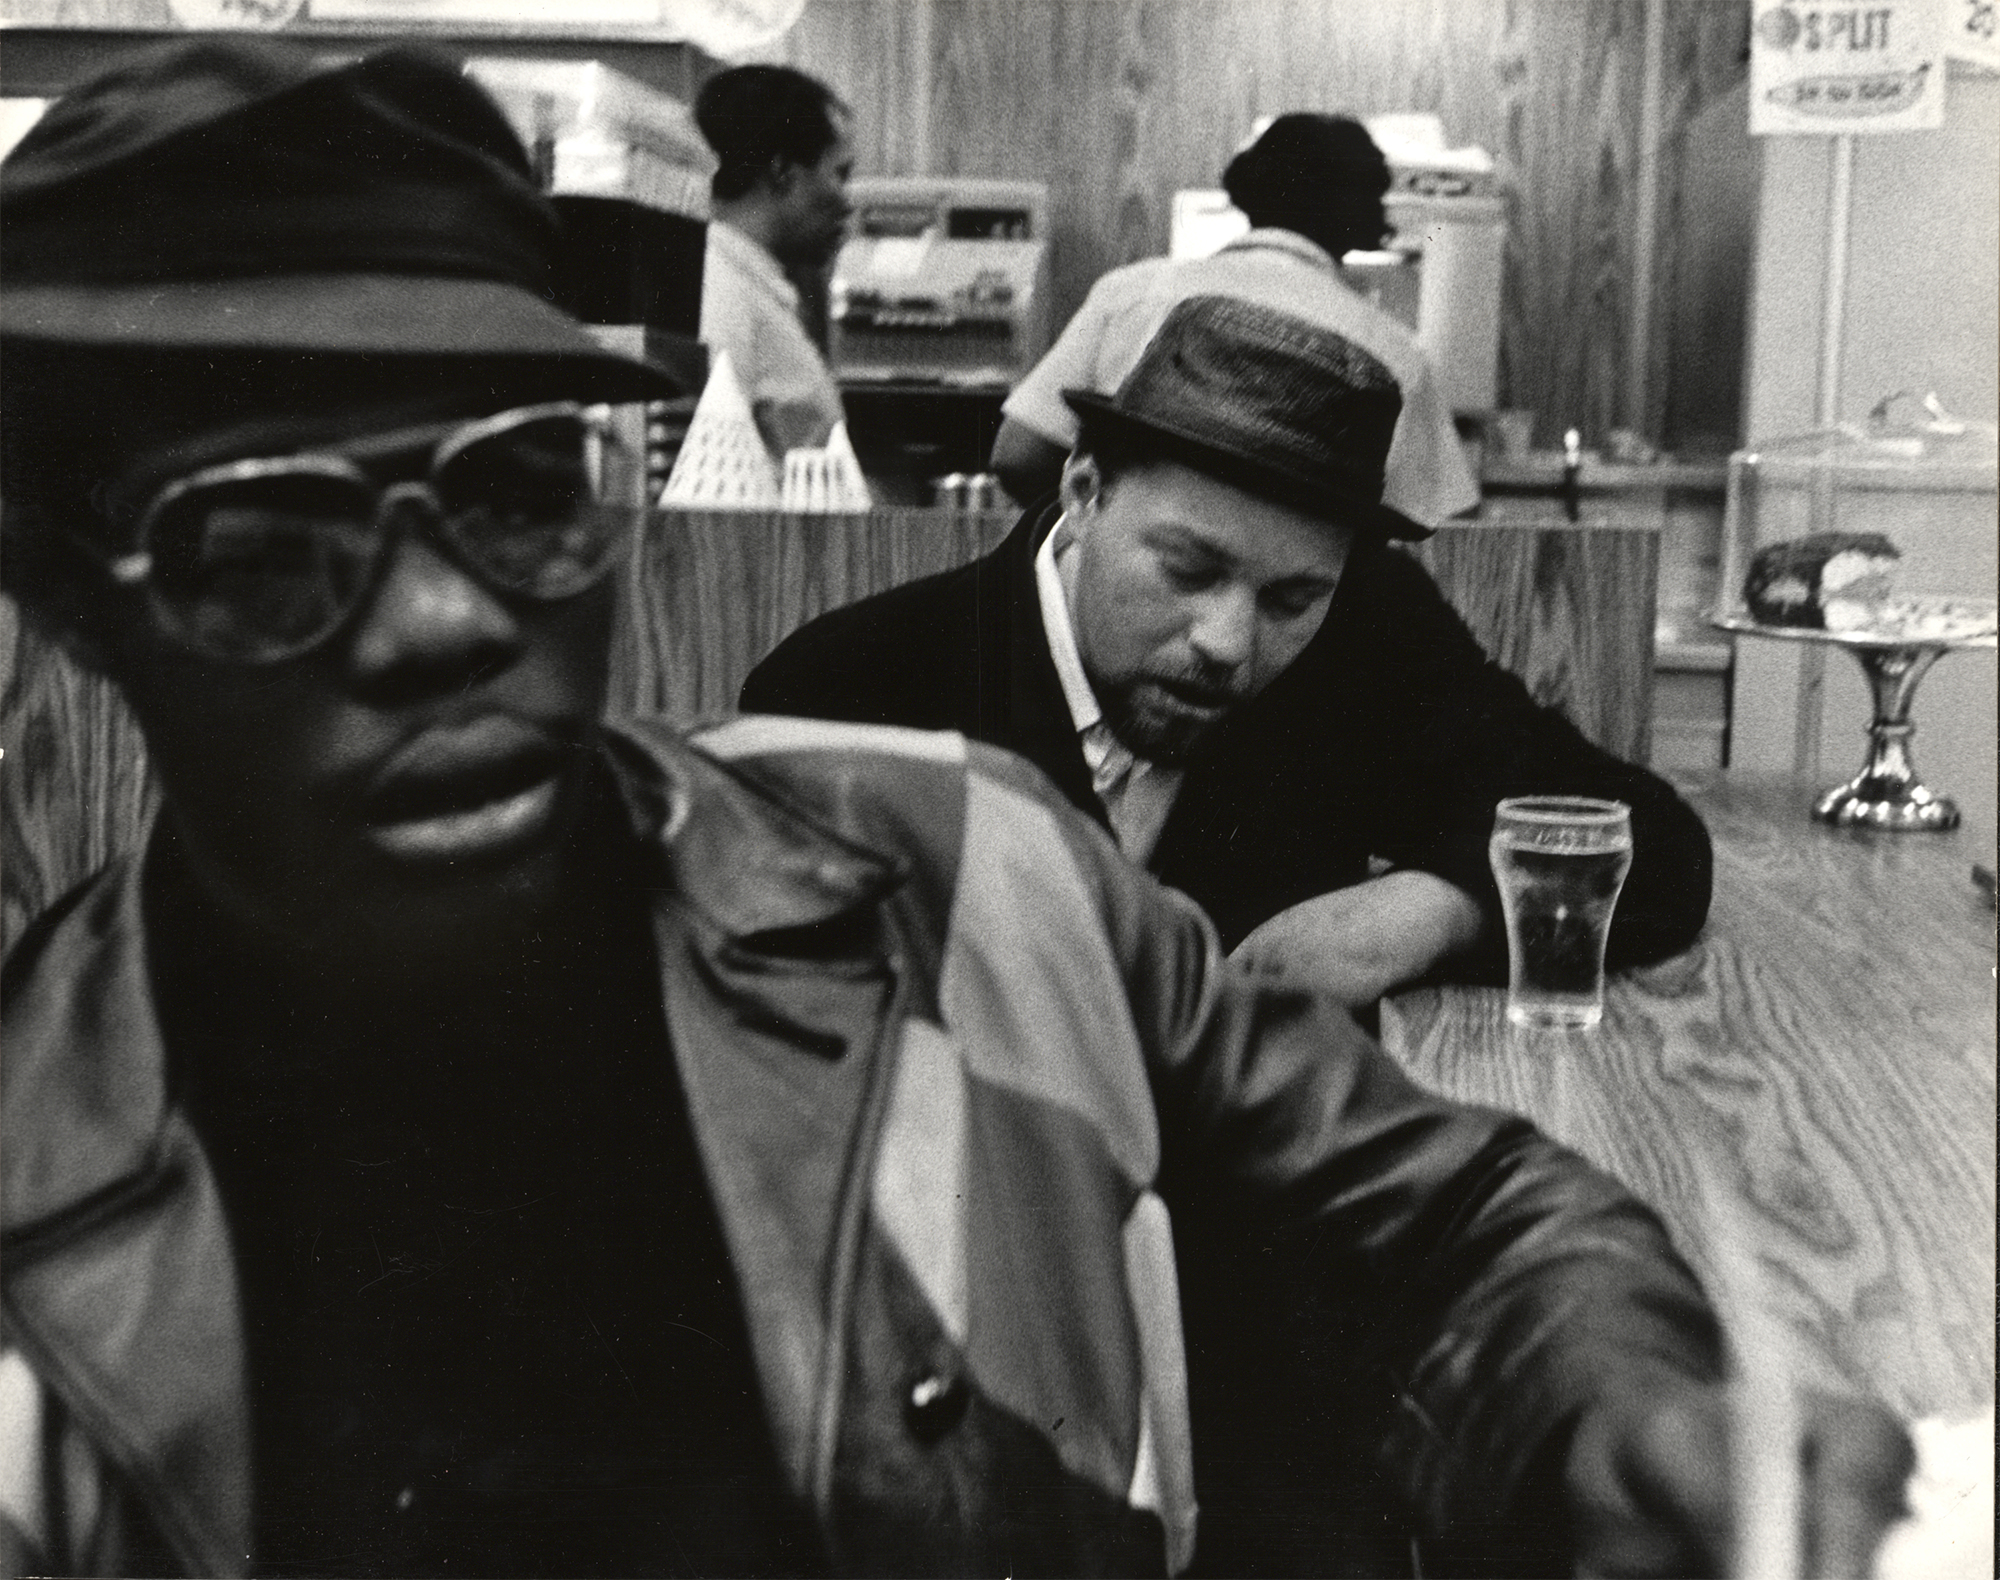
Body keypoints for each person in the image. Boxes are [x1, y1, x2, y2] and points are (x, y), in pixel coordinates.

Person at [0, 38, 1912, 1580]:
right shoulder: (36, 1211)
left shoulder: (947, 860)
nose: (443, 620)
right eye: (263, 543)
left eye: (518, 492)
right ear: (72, 611)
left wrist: (1619, 1413)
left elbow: (1461, 1226)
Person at [744, 294, 1714, 1009]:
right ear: (1083, 491)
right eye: (1186, 568)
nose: (1228, 643)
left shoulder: (1362, 628)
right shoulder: (846, 689)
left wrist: (1433, 907)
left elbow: (1648, 841)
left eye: (1290, 596)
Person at [990, 112, 1478, 527]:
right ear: (1361, 212)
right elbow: (1439, 521)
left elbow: (1018, 457)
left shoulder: (1131, 291)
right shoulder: (1393, 350)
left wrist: (1099, 539)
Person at [693, 63, 854, 461]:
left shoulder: (747, 282)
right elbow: (714, 467)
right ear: (781, 172)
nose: (848, 202)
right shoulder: (721, 289)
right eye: (840, 174)